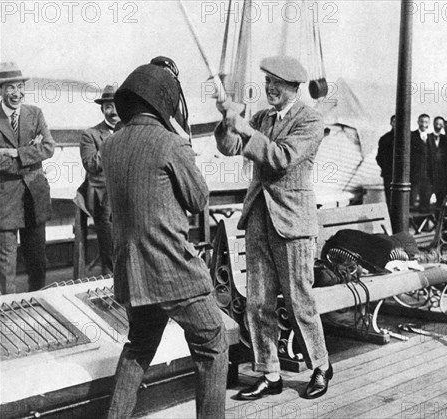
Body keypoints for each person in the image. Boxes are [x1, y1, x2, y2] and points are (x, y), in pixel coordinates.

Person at [102, 64, 228, 418]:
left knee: (139, 347)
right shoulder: (171, 143)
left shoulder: (110, 146)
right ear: (165, 102)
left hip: (133, 273)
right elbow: (198, 200)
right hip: (172, 271)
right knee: (212, 342)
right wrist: (184, 146)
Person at [214, 56, 332, 400]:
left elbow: (280, 158)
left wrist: (245, 127)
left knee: (299, 300)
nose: (269, 88)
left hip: (293, 222)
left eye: (276, 84)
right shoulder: (263, 118)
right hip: (259, 219)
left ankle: (321, 366)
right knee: (259, 302)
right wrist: (227, 120)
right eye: (267, 82)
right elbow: (230, 147)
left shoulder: (310, 120)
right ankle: (270, 373)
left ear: (294, 87)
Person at [0, 62, 54, 294]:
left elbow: (49, 147)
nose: (17, 93)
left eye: (20, 87)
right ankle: (4, 314)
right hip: (5, 201)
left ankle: (39, 306)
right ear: (1, 90)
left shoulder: (36, 113)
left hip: (35, 197)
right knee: (5, 265)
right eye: (10, 88)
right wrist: (31, 155)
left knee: (38, 263)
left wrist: (15, 153)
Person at [79, 85, 119, 275]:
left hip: (131, 198)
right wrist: (113, 143)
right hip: (105, 201)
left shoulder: (133, 131)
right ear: (102, 109)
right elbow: (91, 165)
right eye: (109, 106)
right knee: (110, 254)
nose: (114, 111)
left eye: (117, 105)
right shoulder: (90, 135)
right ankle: (109, 288)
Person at [427, 116, 447, 207]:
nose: (438, 126)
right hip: (429, 174)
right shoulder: (427, 137)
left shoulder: (446, 139)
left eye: (440, 124)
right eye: (437, 123)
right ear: (433, 124)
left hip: (442, 175)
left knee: (441, 200)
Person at [410, 113, 431, 211]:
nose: (423, 124)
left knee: (425, 203)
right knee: (411, 201)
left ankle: (424, 226)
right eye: (422, 121)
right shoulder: (411, 136)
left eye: (426, 122)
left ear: (429, 124)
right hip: (414, 175)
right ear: (418, 122)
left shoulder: (430, 137)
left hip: (427, 177)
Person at [375, 115, 395, 207]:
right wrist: (388, 169)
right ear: (391, 123)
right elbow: (379, 158)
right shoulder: (385, 138)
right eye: (394, 121)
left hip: (405, 176)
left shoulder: (409, 137)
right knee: (390, 199)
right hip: (389, 174)